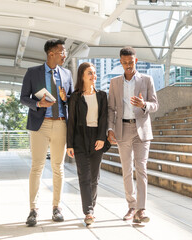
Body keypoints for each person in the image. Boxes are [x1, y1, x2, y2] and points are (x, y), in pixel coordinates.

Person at [20, 39, 74, 227]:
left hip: (60, 124)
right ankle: (33, 210)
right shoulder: (32, 73)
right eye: (62, 52)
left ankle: (56, 207)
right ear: (51, 53)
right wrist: (38, 104)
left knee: (58, 167)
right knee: (37, 167)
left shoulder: (67, 74)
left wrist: (64, 98)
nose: (64, 55)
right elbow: (23, 98)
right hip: (40, 125)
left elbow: (72, 100)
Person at [107, 47, 158, 223]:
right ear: (121, 62)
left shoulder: (147, 79)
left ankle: (141, 210)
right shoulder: (114, 83)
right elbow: (111, 108)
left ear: (136, 60)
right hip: (122, 129)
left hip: (142, 130)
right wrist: (110, 129)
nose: (128, 65)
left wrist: (144, 104)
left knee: (141, 169)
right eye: (125, 62)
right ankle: (131, 206)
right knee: (127, 170)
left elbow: (155, 104)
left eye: (131, 62)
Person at [66, 62, 108, 225]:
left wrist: (101, 138)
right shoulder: (76, 97)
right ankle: (88, 212)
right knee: (84, 176)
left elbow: (104, 118)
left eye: (94, 73)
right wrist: (69, 144)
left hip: (97, 138)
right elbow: (72, 122)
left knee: (94, 177)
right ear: (82, 76)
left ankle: (91, 207)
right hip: (79, 139)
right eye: (90, 73)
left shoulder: (102, 95)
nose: (93, 76)